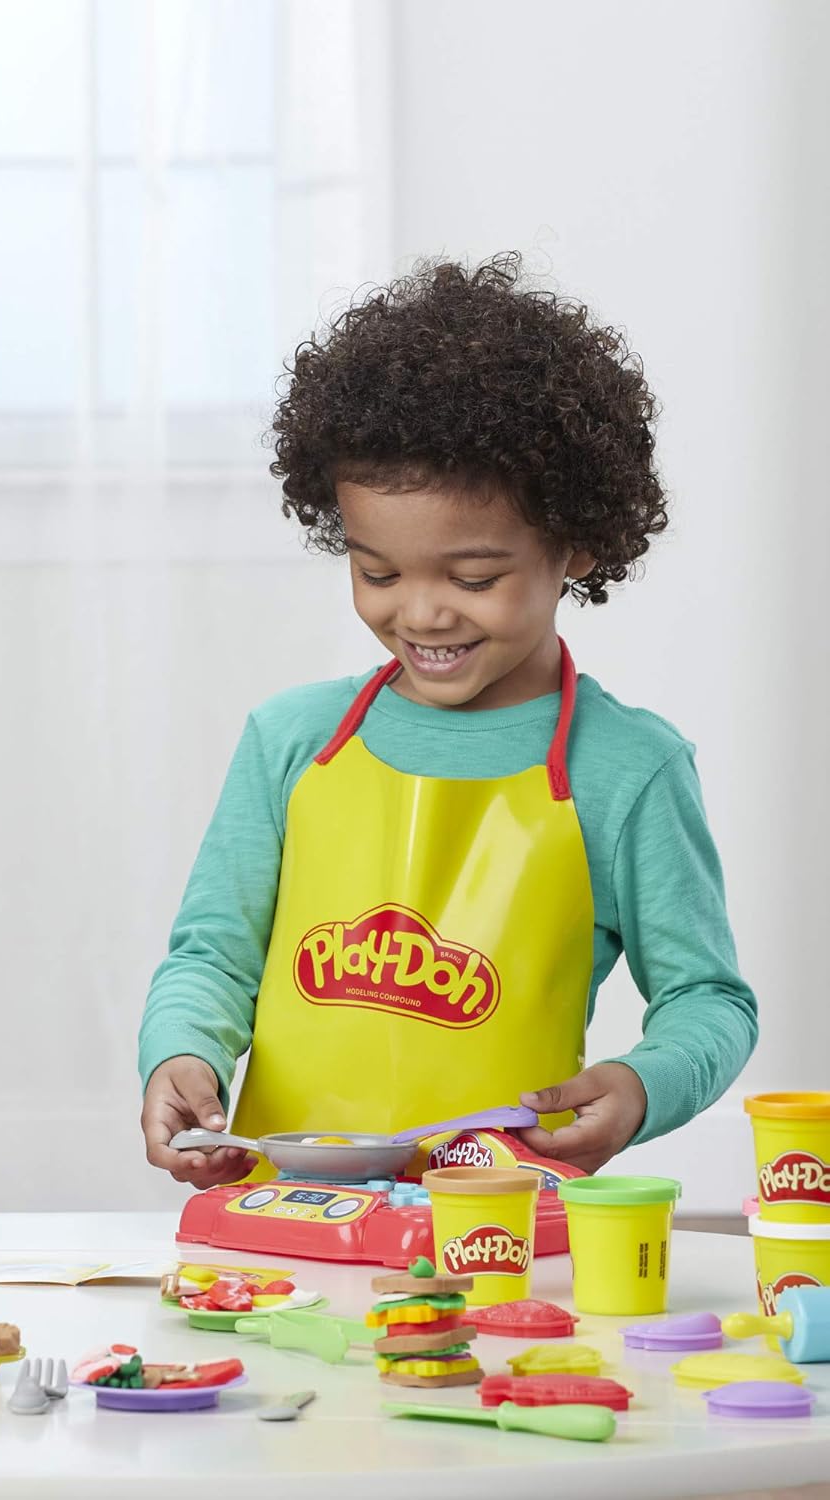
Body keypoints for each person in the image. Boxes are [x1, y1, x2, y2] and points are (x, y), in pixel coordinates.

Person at [139, 255, 757, 1189]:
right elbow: (213, 956)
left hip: (500, 1228)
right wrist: (180, 1052)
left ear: (576, 544)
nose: (422, 614)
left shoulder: (630, 768)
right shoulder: (290, 741)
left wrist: (644, 1084)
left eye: (473, 579)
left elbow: (709, 999)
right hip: (290, 1220)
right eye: (377, 573)